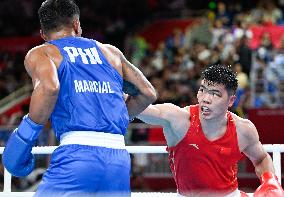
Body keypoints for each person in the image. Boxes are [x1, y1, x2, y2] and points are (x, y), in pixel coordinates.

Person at [2, 0, 156, 197]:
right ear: (76, 25)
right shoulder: (110, 52)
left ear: (42, 34)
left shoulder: (43, 52)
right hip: (118, 159)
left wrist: (24, 137)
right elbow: (148, 93)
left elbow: (49, 88)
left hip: (77, 156)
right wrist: (111, 118)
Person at [137, 65, 284, 197]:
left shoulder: (243, 129)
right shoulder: (180, 119)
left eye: (215, 94)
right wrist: (120, 95)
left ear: (231, 101)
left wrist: (269, 180)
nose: (205, 99)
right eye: (202, 90)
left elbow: (261, 159)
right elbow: (145, 110)